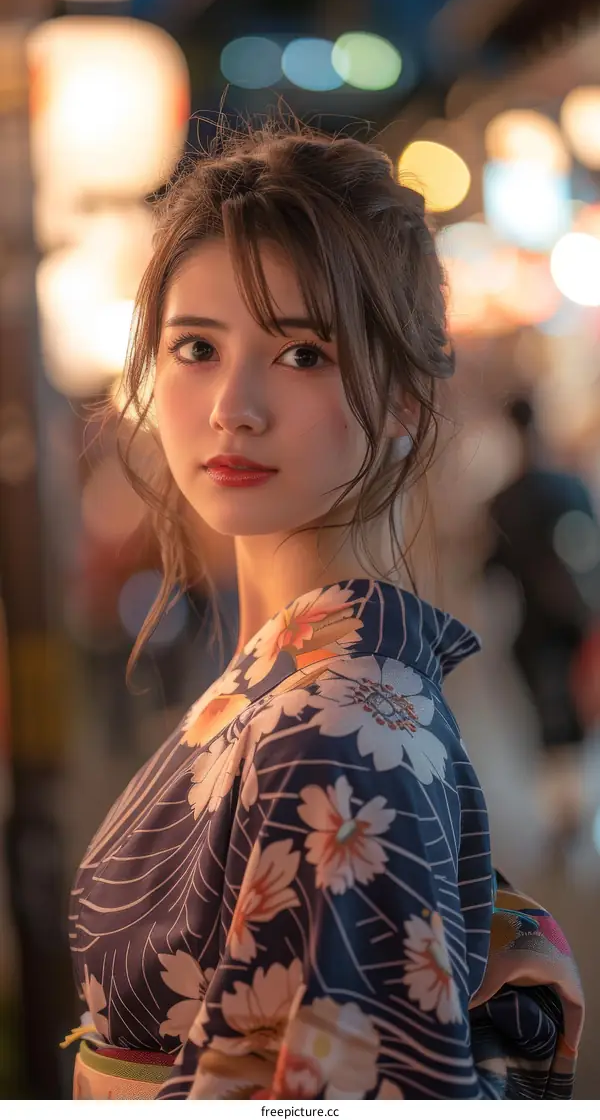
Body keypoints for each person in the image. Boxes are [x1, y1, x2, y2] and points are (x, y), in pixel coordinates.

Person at [63, 124, 583, 1100]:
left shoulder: (334, 729)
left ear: (405, 401)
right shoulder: (300, 677)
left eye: (303, 352)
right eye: (196, 347)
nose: (234, 405)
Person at [485, 396, 599, 847]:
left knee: (551, 718)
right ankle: (575, 808)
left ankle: (566, 812)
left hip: (534, 630)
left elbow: (491, 571)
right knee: (574, 714)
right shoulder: (570, 486)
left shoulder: (504, 500)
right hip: (578, 622)